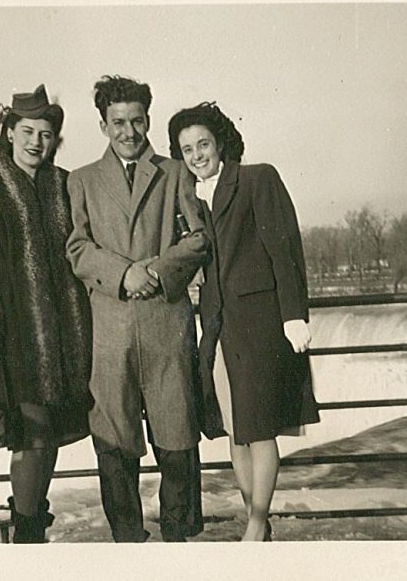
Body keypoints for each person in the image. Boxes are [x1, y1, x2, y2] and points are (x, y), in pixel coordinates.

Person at [168, 101, 320, 542]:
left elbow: (285, 251)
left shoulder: (257, 178)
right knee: (234, 427)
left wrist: (294, 315)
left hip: (260, 322)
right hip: (216, 325)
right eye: (187, 149)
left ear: (221, 143)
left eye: (203, 144)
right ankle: (256, 518)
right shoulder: (189, 198)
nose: (197, 155)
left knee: (257, 426)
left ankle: (256, 522)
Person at [66, 75, 209, 542]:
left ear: (148, 119)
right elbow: (77, 248)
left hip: (167, 323)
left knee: (177, 433)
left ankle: (179, 534)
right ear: (104, 124)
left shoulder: (175, 173)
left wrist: (158, 270)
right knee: (113, 436)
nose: (129, 131)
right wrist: (123, 274)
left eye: (138, 121)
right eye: (118, 122)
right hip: (110, 329)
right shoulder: (82, 180)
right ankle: (128, 539)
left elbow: (199, 240)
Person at [0, 84, 93, 543]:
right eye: (27, 131)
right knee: (31, 438)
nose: (37, 142)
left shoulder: (65, 184)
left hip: (67, 339)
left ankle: (31, 515)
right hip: (14, 341)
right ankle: (28, 532)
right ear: (9, 133)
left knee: (48, 436)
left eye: (46, 134)